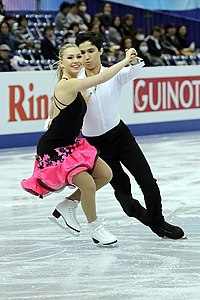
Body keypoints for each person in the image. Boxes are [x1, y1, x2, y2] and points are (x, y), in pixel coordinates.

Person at [51, 32, 185, 240]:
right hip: (96, 146)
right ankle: (141, 214)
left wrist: (134, 58)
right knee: (123, 191)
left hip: (121, 136)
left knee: (148, 182)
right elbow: (58, 111)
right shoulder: (75, 83)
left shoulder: (113, 73)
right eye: (82, 52)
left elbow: (135, 68)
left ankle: (158, 224)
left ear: (101, 51)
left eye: (90, 51)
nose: (85, 57)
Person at [21, 43, 136, 246]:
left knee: (105, 175)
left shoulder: (73, 85)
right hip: (54, 149)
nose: (76, 60)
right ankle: (95, 229)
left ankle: (69, 204)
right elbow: (101, 78)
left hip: (71, 145)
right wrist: (126, 61)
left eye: (78, 56)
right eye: (70, 57)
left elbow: (54, 112)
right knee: (88, 183)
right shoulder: (67, 84)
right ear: (61, 62)